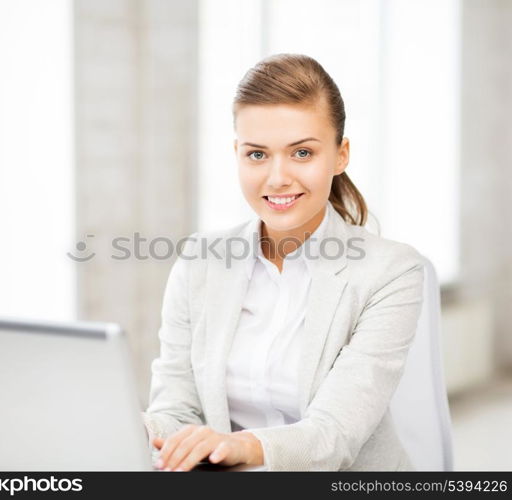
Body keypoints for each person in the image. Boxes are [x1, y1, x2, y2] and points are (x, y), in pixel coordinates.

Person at [142, 53, 425, 472]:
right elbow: (177, 406)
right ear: (237, 153)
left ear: (340, 155)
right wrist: (144, 430)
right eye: (257, 155)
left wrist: (242, 447)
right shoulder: (200, 262)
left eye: (302, 153)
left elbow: (335, 434)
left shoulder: (391, 272)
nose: (277, 178)